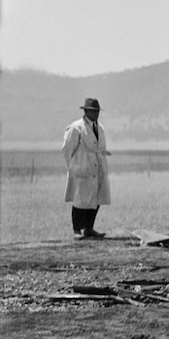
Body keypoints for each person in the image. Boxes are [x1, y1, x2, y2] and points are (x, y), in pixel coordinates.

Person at [62, 98, 111, 239]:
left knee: (96, 198)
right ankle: (77, 230)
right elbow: (67, 149)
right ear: (86, 111)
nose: (96, 114)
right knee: (80, 199)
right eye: (93, 111)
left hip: (97, 167)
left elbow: (101, 148)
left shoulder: (100, 128)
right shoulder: (76, 127)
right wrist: (73, 166)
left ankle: (89, 228)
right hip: (81, 167)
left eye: (97, 111)